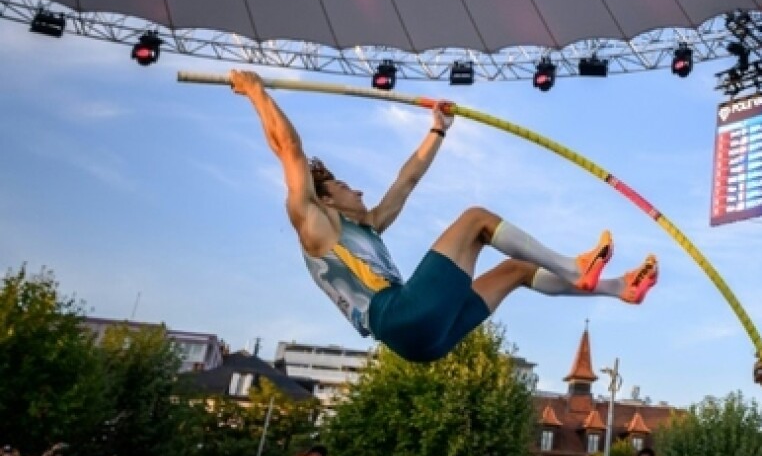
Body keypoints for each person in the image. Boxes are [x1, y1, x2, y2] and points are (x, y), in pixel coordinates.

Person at [229, 70, 659, 364]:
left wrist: (438, 129)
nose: (357, 189)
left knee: (516, 270)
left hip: (425, 340)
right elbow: (289, 150)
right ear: (325, 200)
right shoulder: (318, 229)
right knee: (476, 220)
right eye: (344, 185)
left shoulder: (370, 227)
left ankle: (617, 288)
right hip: (400, 315)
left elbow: (407, 180)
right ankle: (571, 265)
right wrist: (255, 92)